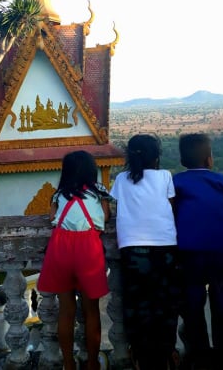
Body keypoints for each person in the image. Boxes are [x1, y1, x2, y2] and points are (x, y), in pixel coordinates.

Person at [110, 134, 181, 370]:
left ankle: (140, 354)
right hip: (165, 245)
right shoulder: (165, 177)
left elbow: (117, 208)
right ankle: (167, 350)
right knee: (165, 300)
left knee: (136, 302)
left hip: (132, 247)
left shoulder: (121, 179)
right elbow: (171, 208)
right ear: (157, 156)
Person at [37, 150, 112, 370]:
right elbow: (105, 217)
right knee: (91, 310)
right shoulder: (99, 192)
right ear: (91, 170)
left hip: (61, 249)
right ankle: (91, 363)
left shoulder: (59, 194)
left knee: (66, 310)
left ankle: (68, 363)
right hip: (88, 249)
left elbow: (52, 218)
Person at [173, 133, 223, 370]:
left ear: (182, 160)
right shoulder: (220, 180)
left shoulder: (176, 182)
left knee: (192, 306)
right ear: (209, 159)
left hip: (189, 253)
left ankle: (198, 356)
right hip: (220, 251)